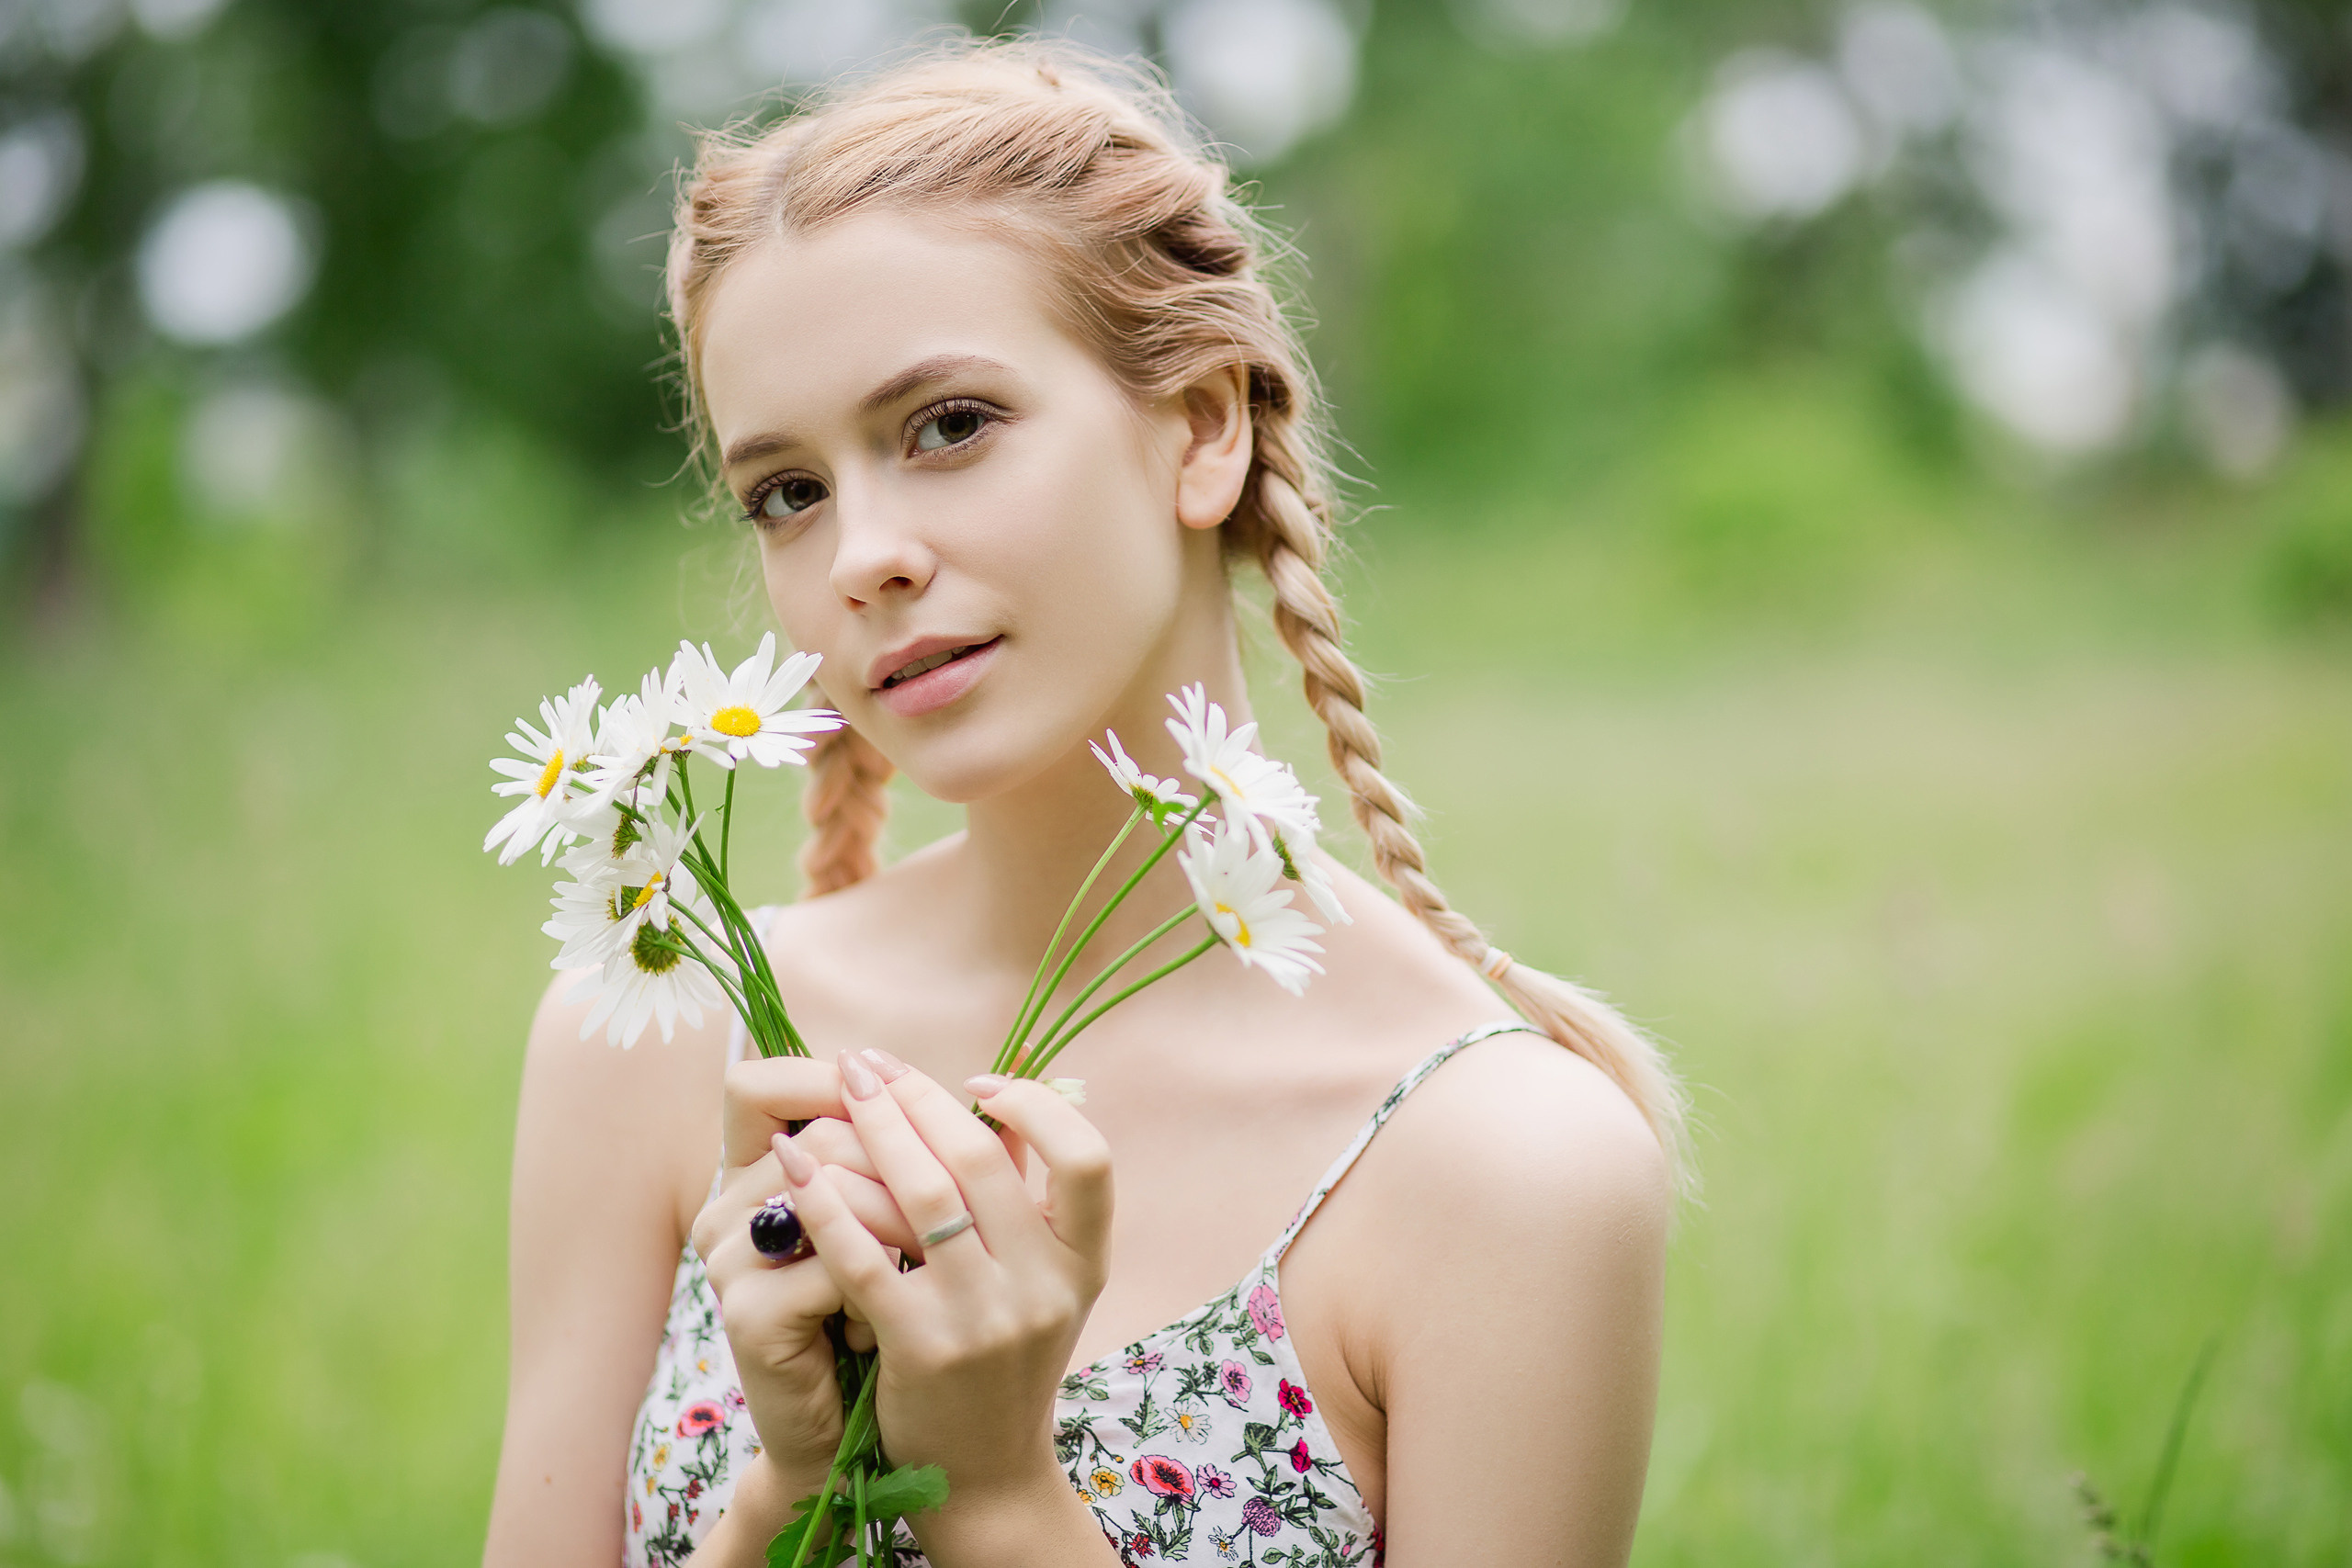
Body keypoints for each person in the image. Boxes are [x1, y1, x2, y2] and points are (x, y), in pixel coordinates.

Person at [484, 39, 1685, 1568]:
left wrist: (992, 1490)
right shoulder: (659, 1036)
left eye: (949, 425)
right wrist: (787, 1488)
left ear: (1200, 429)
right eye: (789, 491)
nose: (862, 554)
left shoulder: (1504, 1166)